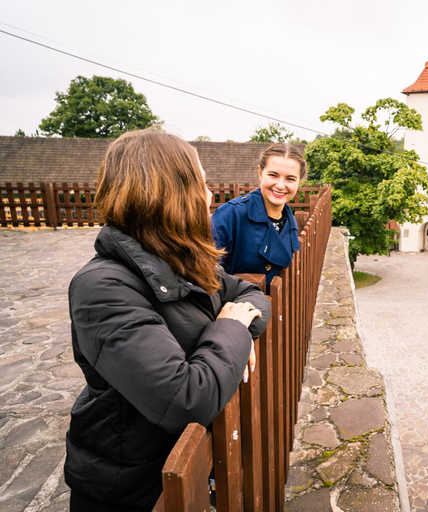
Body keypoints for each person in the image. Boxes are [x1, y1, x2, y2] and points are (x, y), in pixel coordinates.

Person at [65, 128, 271, 512]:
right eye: (202, 183)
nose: (210, 195)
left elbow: (251, 297)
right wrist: (232, 331)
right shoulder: (102, 287)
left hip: (177, 469)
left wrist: (237, 329)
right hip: (132, 486)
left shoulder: (182, 259)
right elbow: (188, 398)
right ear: (173, 192)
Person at [211, 143, 304, 287]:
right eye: (273, 175)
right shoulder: (231, 214)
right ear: (260, 172)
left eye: (290, 179)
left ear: (299, 182)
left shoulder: (290, 221)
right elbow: (205, 271)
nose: (280, 185)